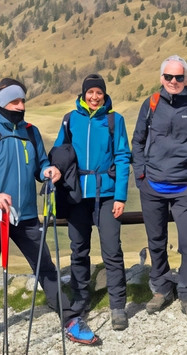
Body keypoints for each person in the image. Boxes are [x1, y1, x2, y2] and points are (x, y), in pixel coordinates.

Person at [0, 79, 97, 345]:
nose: (21, 106)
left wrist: (48, 171)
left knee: (45, 268)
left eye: (23, 101)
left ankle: (70, 319)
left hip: (26, 216)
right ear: (2, 103)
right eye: (15, 102)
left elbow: (40, 166)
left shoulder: (31, 132)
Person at [131, 55, 187, 322]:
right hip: (152, 185)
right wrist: (141, 176)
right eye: (168, 77)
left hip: (184, 188)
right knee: (156, 242)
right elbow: (138, 140)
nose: (173, 81)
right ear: (161, 78)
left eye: (179, 77)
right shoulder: (151, 104)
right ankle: (161, 289)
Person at [51, 74, 132, 331]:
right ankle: (80, 301)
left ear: (105, 94)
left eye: (99, 92)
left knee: (112, 251)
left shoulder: (114, 120)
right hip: (76, 196)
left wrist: (120, 196)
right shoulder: (70, 120)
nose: (95, 97)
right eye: (90, 92)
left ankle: (118, 305)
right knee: (78, 251)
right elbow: (58, 152)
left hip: (106, 195)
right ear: (83, 94)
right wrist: (52, 171)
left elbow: (122, 157)